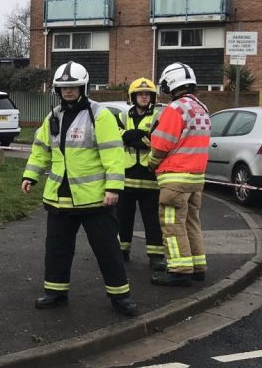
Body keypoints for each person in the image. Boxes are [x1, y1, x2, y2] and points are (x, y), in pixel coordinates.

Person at [21, 61, 138, 317]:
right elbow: (41, 150)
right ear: (57, 90)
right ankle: (56, 292)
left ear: (83, 87)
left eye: (73, 87)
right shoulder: (53, 117)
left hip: (96, 200)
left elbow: (114, 154)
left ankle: (120, 298)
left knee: (108, 250)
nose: (69, 92)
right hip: (59, 199)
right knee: (57, 249)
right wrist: (30, 175)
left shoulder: (100, 115)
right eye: (64, 88)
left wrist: (114, 188)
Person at [148, 62, 211, 286]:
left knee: (172, 225)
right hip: (196, 178)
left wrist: (151, 162)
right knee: (191, 222)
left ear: (171, 83)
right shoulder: (201, 107)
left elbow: (162, 144)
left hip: (175, 178)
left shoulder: (175, 109)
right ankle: (197, 266)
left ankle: (179, 270)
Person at [116, 77, 166, 271]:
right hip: (126, 177)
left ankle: (156, 256)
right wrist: (137, 136)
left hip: (149, 177)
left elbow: (156, 140)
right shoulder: (122, 116)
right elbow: (117, 136)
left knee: (152, 221)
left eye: (147, 94)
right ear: (133, 96)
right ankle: (122, 251)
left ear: (152, 97)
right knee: (123, 218)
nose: (144, 97)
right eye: (140, 94)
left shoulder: (158, 117)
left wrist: (133, 137)